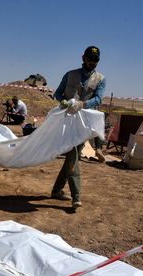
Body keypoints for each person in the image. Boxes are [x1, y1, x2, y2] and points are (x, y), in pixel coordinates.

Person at [50, 45, 106, 208]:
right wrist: (64, 102)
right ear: (83, 58)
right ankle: (76, 195)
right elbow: (58, 93)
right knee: (73, 154)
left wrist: (83, 104)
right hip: (66, 120)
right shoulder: (70, 75)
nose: (92, 63)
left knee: (70, 157)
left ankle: (57, 190)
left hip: (84, 123)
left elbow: (99, 99)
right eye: (90, 60)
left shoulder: (100, 79)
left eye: (95, 61)